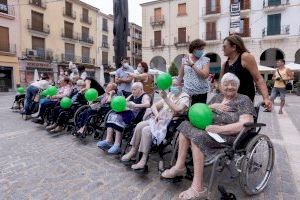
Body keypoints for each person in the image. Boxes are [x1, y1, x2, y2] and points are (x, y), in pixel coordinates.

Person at [161, 73, 256, 200]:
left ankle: (198, 188)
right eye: (226, 84)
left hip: (228, 136)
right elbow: (202, 110)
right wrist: (212, 106)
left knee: (197, 136)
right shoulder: (217, 97)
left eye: (233, 84)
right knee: (185, 126)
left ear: (238, 87)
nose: (229, 87)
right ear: (221, 86)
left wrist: (219, 128)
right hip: (209, 130)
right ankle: (179, 167)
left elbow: (244, 124)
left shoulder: (243, 99)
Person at [121, 78, 190, 172]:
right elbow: (153, 106)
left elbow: (178, 109)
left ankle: (143, 160)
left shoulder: (185, 97)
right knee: (140, 125)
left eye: (175, 85)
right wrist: (157, 114)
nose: (173, 87)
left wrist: (165, 98)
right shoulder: (170, 94)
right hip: (159, 120)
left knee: (146, 130)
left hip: (169, 124)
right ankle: (133, 150)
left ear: (181, 85)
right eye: (172, 85)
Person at [97, 82, 151, 155]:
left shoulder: (145, 96)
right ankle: (108, 140)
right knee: (111, 115)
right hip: (127, 112)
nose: (132, 91)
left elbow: (147, 104)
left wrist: (135, 105)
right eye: (132, 89)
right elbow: (124, 101)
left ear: (140, 89)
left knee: (118, 118)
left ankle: (117, 144)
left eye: (134, 89)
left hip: (134, 116)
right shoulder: (132, 95)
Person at [220, 35, 272, 110]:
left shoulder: (245, 57)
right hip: (230, 102)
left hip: (245, 101)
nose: (222, 49)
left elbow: (258, 79)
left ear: (234, 47)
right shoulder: (225, 64)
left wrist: (266, 98)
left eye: (224, 46)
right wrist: (226, 95)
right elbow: (220, 83)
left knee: (245, 121)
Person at [178, 39, 210, 105]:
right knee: (186, 114)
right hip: (186, 94)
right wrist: (176, 86)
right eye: (200, 49)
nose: (202, 51)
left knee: (198, 114)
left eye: (202, 49)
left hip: (201, 94)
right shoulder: (185, 59)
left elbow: (205, 75)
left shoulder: (205, 60)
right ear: (193, 49)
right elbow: (180, 76)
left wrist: (192, 65)